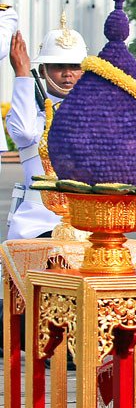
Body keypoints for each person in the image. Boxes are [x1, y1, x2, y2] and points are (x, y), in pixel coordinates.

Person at [6, 14, 87, 240]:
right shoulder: (30, 112)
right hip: (37, 226)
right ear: (43, 71)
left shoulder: (94, 114)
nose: (67, 74)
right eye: (58, 66)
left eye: (75, 66)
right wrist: (22, 75)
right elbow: (23, 133)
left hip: (86, 225)